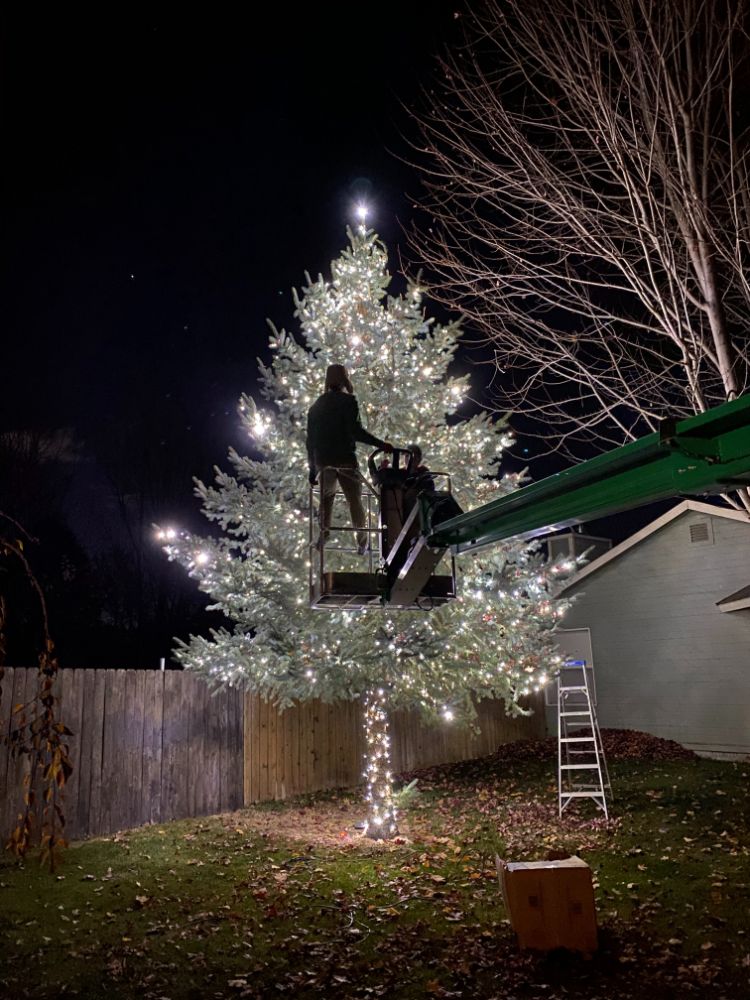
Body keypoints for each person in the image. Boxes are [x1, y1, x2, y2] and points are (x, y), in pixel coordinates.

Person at [306, 364, 392, 554]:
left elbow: (310, 441)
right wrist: (381, 444)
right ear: (345, 379)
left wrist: (312, 470)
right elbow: (356, 431)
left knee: (326, 499)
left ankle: (324, 535)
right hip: (345, 460)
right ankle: (362, 541)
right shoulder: (348, 402)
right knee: (355, 501)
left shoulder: (315, 407)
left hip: (324, 463)